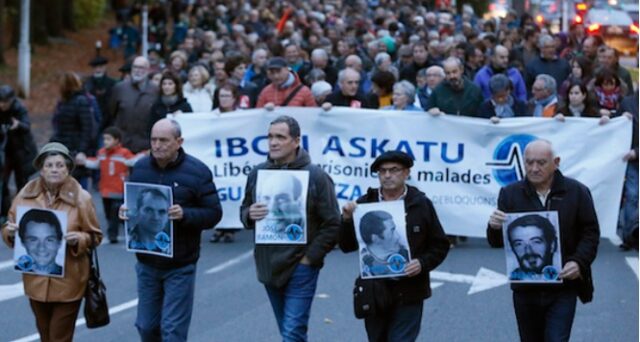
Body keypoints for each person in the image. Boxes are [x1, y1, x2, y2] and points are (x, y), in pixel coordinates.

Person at [119, 118, 222, 341]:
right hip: (147, 261)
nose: (157, 145)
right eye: (153, 140)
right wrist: (124, 212)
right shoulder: (140, 167)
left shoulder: (197, 172)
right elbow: (131, 203)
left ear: (179, 141)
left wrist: (185, 214)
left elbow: (214, 214)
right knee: (146, 327)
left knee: (172, 330)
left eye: (164, 140)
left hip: (180, 264)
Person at [486, 139, 599, 342]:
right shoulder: (510, 194)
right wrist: (494, 227)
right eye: (529, 163)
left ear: (555, 162)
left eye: (541, 163)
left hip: (563, 287)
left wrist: (578, 262)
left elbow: (590, 233)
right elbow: (497, 242)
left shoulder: (577, 192)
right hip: (525, 290)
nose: (534, 168)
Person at [240, 116, 340, 341]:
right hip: (269, 265)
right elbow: (244, 209)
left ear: (296, 141)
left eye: (280, 137)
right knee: (288, 329)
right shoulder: (257, 173)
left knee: (292, 332)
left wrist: (310, 259)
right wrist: (249, 214)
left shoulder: (316, 176)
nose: (273, 142)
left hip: (300, 267)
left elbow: (333, 222)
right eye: (270, 137)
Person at [340, 150, 449, 341]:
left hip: (410, 290)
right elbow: (346, 245)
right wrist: (347, 220)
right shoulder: (364, 204)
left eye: (394, 170)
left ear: (406, 173)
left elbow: (440, 245)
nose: (387, 175)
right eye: (382, 171)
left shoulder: (420, 204)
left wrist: (422, 263)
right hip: (374, 291)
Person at [2, 142, 103, 342]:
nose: (54, 170)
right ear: (41, 169)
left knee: (59, 337)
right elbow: (9, 227)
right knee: (45, 335)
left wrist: (79, 239)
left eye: (59, 165)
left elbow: (95, 236)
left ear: (68, 169)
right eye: (49, 165)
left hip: (70, 281)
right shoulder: (25, 195)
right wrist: (10, 233)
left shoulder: (82, 199)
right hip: (35, 282)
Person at [79, 126, 144, 243]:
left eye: (108, 139)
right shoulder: (102, 153)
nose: (105, 142)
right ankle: (116, 226)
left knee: (114, 212)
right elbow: (96, 163)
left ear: (117, 140)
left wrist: (144, 155)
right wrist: (84, 161)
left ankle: (112, 235)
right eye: (104, 139)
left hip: (118, 190)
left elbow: (133, 160)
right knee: (108, 214)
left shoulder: (123, 153)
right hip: (105, 190)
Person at [50, 72, 96, 189]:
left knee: (79, 189)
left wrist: (82, 151)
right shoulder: (63, 103)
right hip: (65, 150)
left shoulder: (81, 101)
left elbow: (87, 129)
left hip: (76, 151)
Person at [0, 85, 38, 220]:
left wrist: (18, 125)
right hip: (6, 152)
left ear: (10, 101)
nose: (2, 105)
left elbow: (27, 126)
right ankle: (4, 213)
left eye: (4, 102)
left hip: (22, 152)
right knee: (3, 182)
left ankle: (21, 214)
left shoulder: (19, 109)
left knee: (21, 184)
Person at [108, 55, 159, 154]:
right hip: (121, 144)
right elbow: (112, 113)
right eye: (135, 67)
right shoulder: (119, 88)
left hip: (145, 146)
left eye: (141, 67)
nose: (137, 70)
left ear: (148, 70)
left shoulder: (155, 90)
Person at [506, 214, 559, 281]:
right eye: (519, 244)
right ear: (512, 248)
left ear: (552, 245)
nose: (528, 251)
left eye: (536, 242)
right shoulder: (514, 279)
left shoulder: (564, 276)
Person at [357, 210, 410, 277]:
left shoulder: (405, 253)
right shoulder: (365, 265)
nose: (398, 237)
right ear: (375, 238)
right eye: (392, 231)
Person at [17, 208, 64, 275]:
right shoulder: (18, 270)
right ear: (22, 242)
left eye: (49, 240)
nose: (41, 248)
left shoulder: (69, 274)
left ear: (60, 242)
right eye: (33, 240)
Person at [128, 187, 171, 253]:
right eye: (149, 210)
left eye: (162, 212)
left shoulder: (172, 244)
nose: (156, 217)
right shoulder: (129, 239)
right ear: (137, 211)